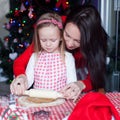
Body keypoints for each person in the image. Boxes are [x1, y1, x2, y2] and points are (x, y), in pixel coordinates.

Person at [11, 5, 108, 101]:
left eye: (78, 41)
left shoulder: (96, 43)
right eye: (67, 35)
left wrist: (80, 84)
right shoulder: (53, 28)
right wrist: (22, 78)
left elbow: (95, 78)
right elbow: (20, 62)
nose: (69, 44)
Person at [10, 12, 77, 95]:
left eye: (53, 40)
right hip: (37, 100)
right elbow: (28, 80)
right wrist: (21, 82)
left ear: (61, 37)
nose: (48, 44)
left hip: (60, 100)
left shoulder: (68, 57)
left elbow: (72, 83)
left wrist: (70, 91)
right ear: (38, 38)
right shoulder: (35, 56)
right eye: (43, 40)